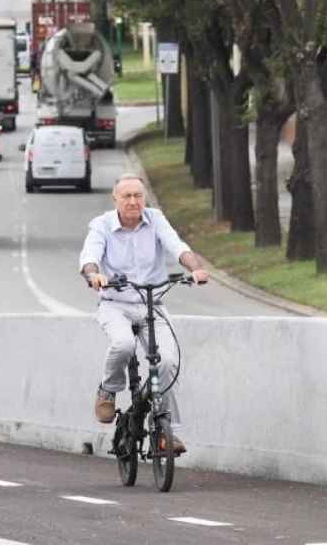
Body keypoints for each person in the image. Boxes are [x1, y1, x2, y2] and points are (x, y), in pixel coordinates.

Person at [78, 174, 210, 454]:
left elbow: (177, 247)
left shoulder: (155, 219)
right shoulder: (102, 225)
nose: (133, 201)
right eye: (126, 196)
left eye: (138, 196)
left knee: (168, 362)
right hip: (115, 303)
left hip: (152, 303)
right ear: (116, 199)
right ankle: (108, 390)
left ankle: (165, 430)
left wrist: (195, 269)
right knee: (123, 344)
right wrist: (95, 275)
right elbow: (89, 256)